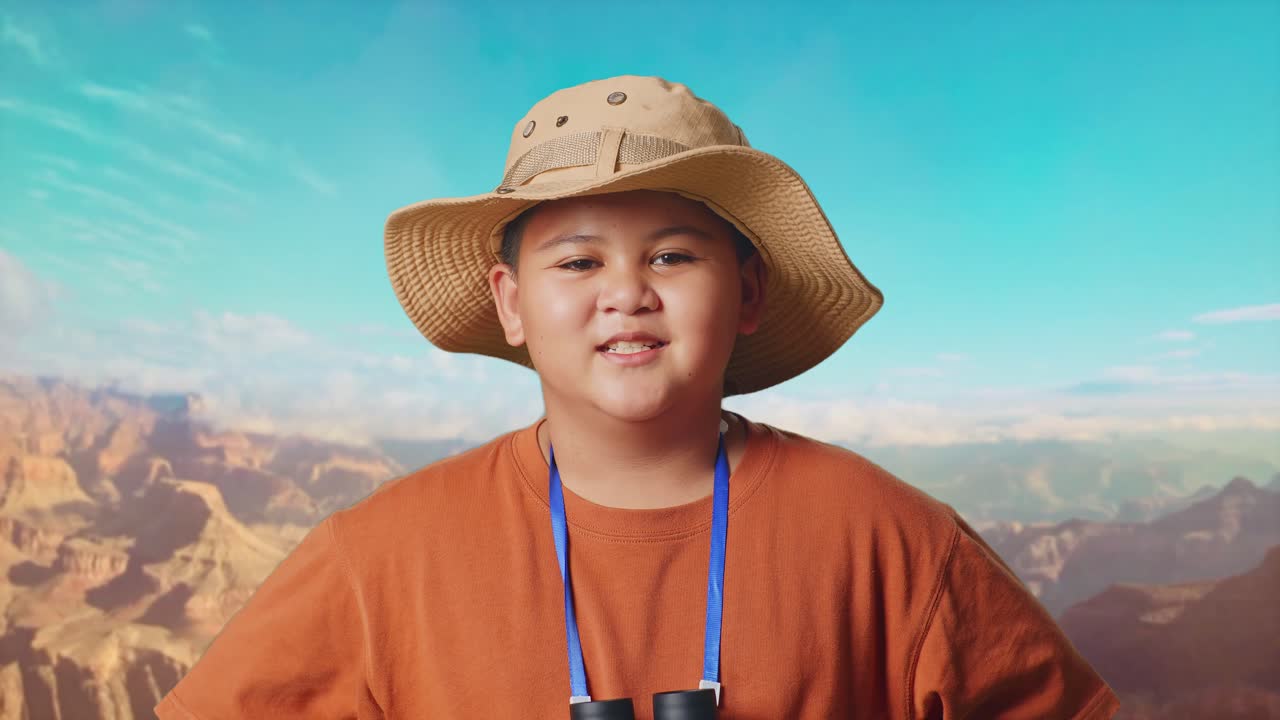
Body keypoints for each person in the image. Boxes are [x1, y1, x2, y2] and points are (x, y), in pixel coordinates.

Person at [154, 75, 1120, 719]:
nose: (627, 291)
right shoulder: (380, 560)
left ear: (746, 292)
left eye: (672, 254)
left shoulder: (892, 543)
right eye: (577, 259)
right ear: (511, 303)